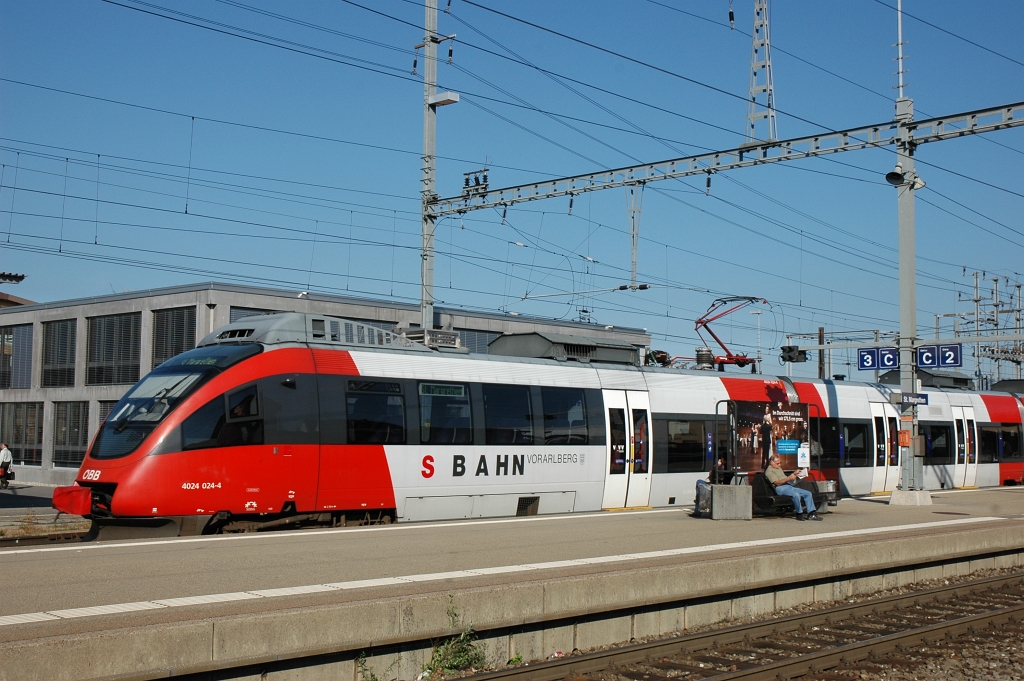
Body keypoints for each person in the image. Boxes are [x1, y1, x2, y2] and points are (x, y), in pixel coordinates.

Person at [765, 454, 822, 521]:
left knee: (808, 493)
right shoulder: (769, 471)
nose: (779, 465)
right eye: (778, 463)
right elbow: (777, 483)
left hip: (788, 486)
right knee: (796, 495)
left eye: (780, 463)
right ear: (771, 463)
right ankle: (799, 513)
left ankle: (811, 513)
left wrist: (794, 474)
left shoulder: (778, 468)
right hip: (780, 488)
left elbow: (784, 478)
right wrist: (789, 478)